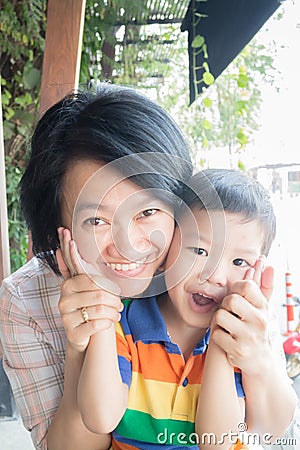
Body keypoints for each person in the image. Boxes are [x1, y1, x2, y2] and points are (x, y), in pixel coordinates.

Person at [0, 82, 194, 450]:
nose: (128, 246)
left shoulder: (207, 276)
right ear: (56, 225)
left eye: (148, 211)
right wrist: (81, 347)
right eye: (96, 221)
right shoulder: (25, 302)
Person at [68, 168, 297, 449]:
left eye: (239, 263)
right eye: (199, 251)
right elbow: (100, 418)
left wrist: (220, 345)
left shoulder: (241, 339)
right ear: (166, 251)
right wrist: (100, 301)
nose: (214, 275)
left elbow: (218, 442)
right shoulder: (122, 322)